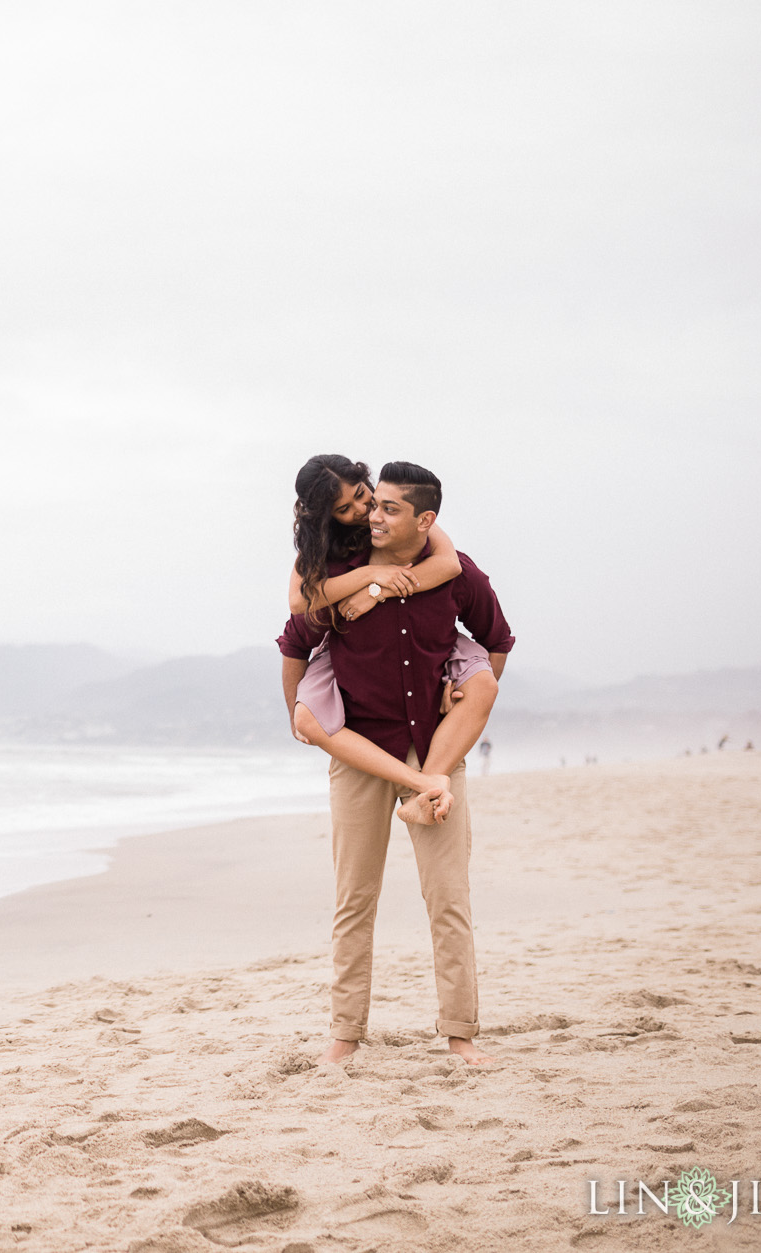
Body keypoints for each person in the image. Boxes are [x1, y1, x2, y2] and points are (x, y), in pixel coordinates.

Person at [278, 461, 516, 1066]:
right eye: (366, 506)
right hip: (360, 751)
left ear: (423, 519)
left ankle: (460, 1033)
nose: (373, 515)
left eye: (385, 506)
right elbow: (294, 645)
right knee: (354, 900)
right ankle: (345, 1035)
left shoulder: (455, 571)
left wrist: (462, 687)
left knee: (448, 898)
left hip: (433, 752)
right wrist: (297, 720)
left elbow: (497, 640)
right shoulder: (336, 569)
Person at [282, 454, 500, 824]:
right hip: (354, 688)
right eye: (344, 508)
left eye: (362, 495)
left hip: (425, 703)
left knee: (483, 684)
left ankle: (427, 782)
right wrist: (371, 574)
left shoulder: (404, 520)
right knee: (306, 719)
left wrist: (378, 591)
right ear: (324, 515)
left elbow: (449, 566)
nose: (362, 510)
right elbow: (298, 605)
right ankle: (424, 783)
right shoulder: (325, 548)